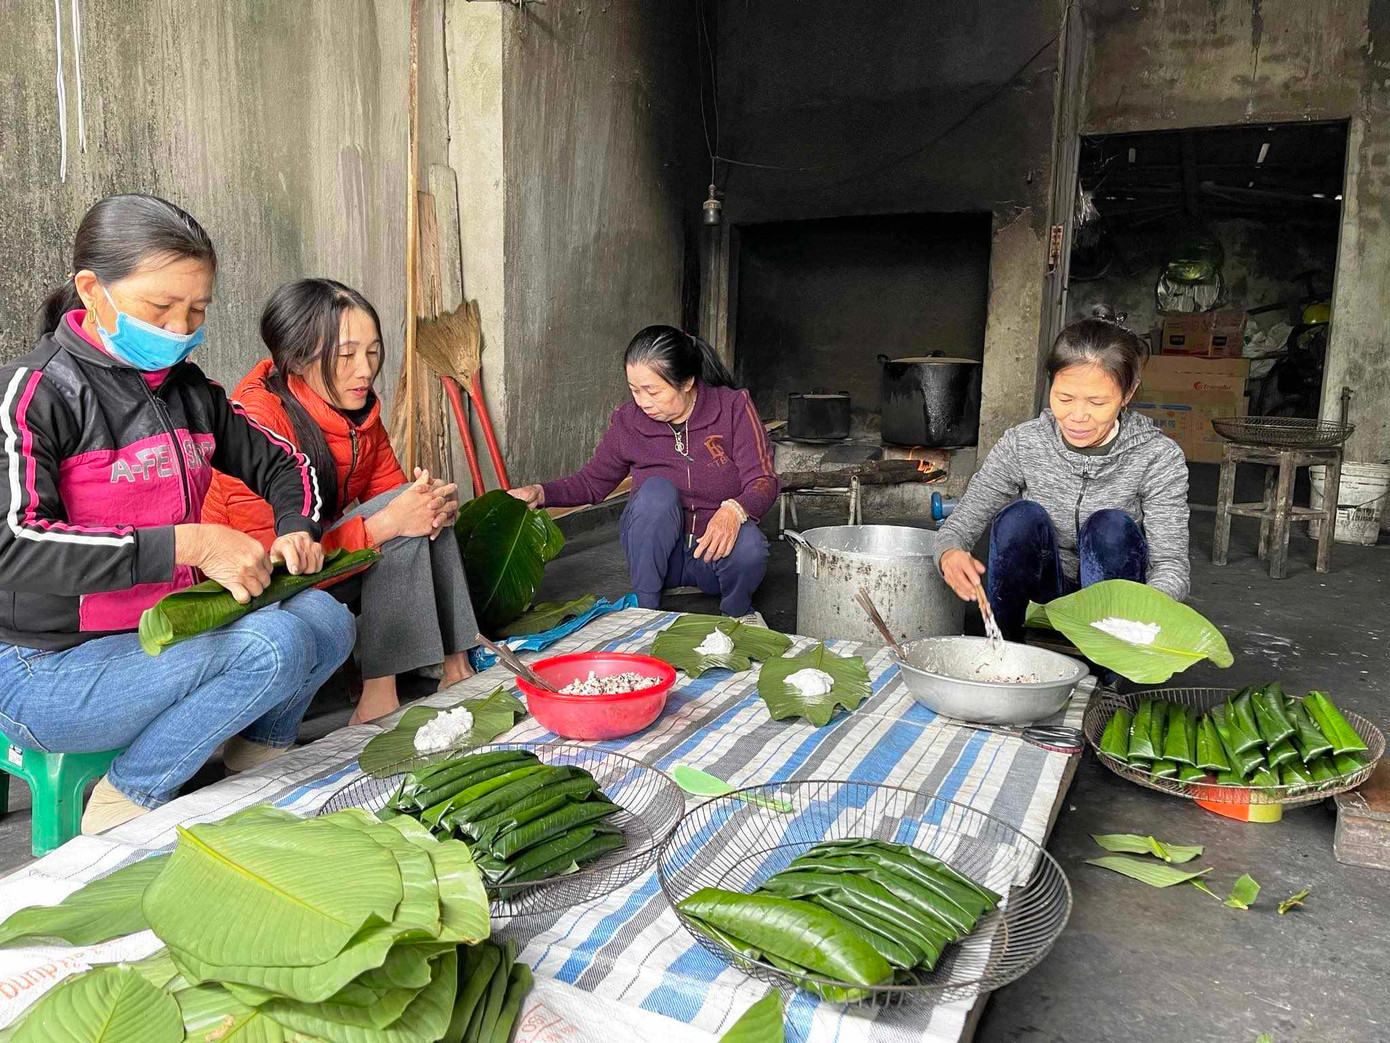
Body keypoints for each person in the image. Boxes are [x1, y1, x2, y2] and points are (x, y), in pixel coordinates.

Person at [0, 194, 357, 834]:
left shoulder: (190, 392)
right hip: (44, 668)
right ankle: (125, 799)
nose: (177, 327)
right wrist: (183, 544)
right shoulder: (37, 394)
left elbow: (286, 464)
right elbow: (15, 545)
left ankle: (252, 757)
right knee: (272, 646)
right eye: (160, 308)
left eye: (195, 311)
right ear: (93, 290)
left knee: (328, 619)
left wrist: (295, 526)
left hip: (163, 634)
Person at [203, 278, 477, 725]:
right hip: (259, 582)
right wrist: (388, 522)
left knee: (418, 507)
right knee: (396, 520)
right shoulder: (259, 418)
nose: (365, 370)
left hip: (320, 557)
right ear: (298, 358)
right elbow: (271, 558)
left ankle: (456, 666)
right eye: (346, 356)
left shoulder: (360, 412)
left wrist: (432, 507)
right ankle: (378, 696)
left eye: (372, 352)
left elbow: (393, 494)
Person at [933, 313, 1190, 642]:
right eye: (1064, 398)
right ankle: (1004, 649)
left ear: (1127, 394)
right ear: (1050, 384)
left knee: (1110, 527)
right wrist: (949, 553)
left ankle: (1105, 670)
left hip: (1116, 609)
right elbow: (959, 524)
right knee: (1018, 518)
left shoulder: (1158, 457)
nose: (1077, 416)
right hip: (1043, 592)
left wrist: (1151, 609)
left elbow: (1171, 564)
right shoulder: (1023, 443)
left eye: (1097, 402)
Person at [510, 326, 779, 618]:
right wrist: (542, 492)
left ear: (687, 381)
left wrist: (734, 510)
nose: (642, 401)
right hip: (656, 559)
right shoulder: (628, 422)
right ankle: (645, 611)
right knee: (656, 492)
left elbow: (763, 480)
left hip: (714, 555)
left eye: (653, 390)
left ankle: (739, 615)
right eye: (634, 389)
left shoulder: (732, 408)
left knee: (750, 544)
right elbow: (592, 483)